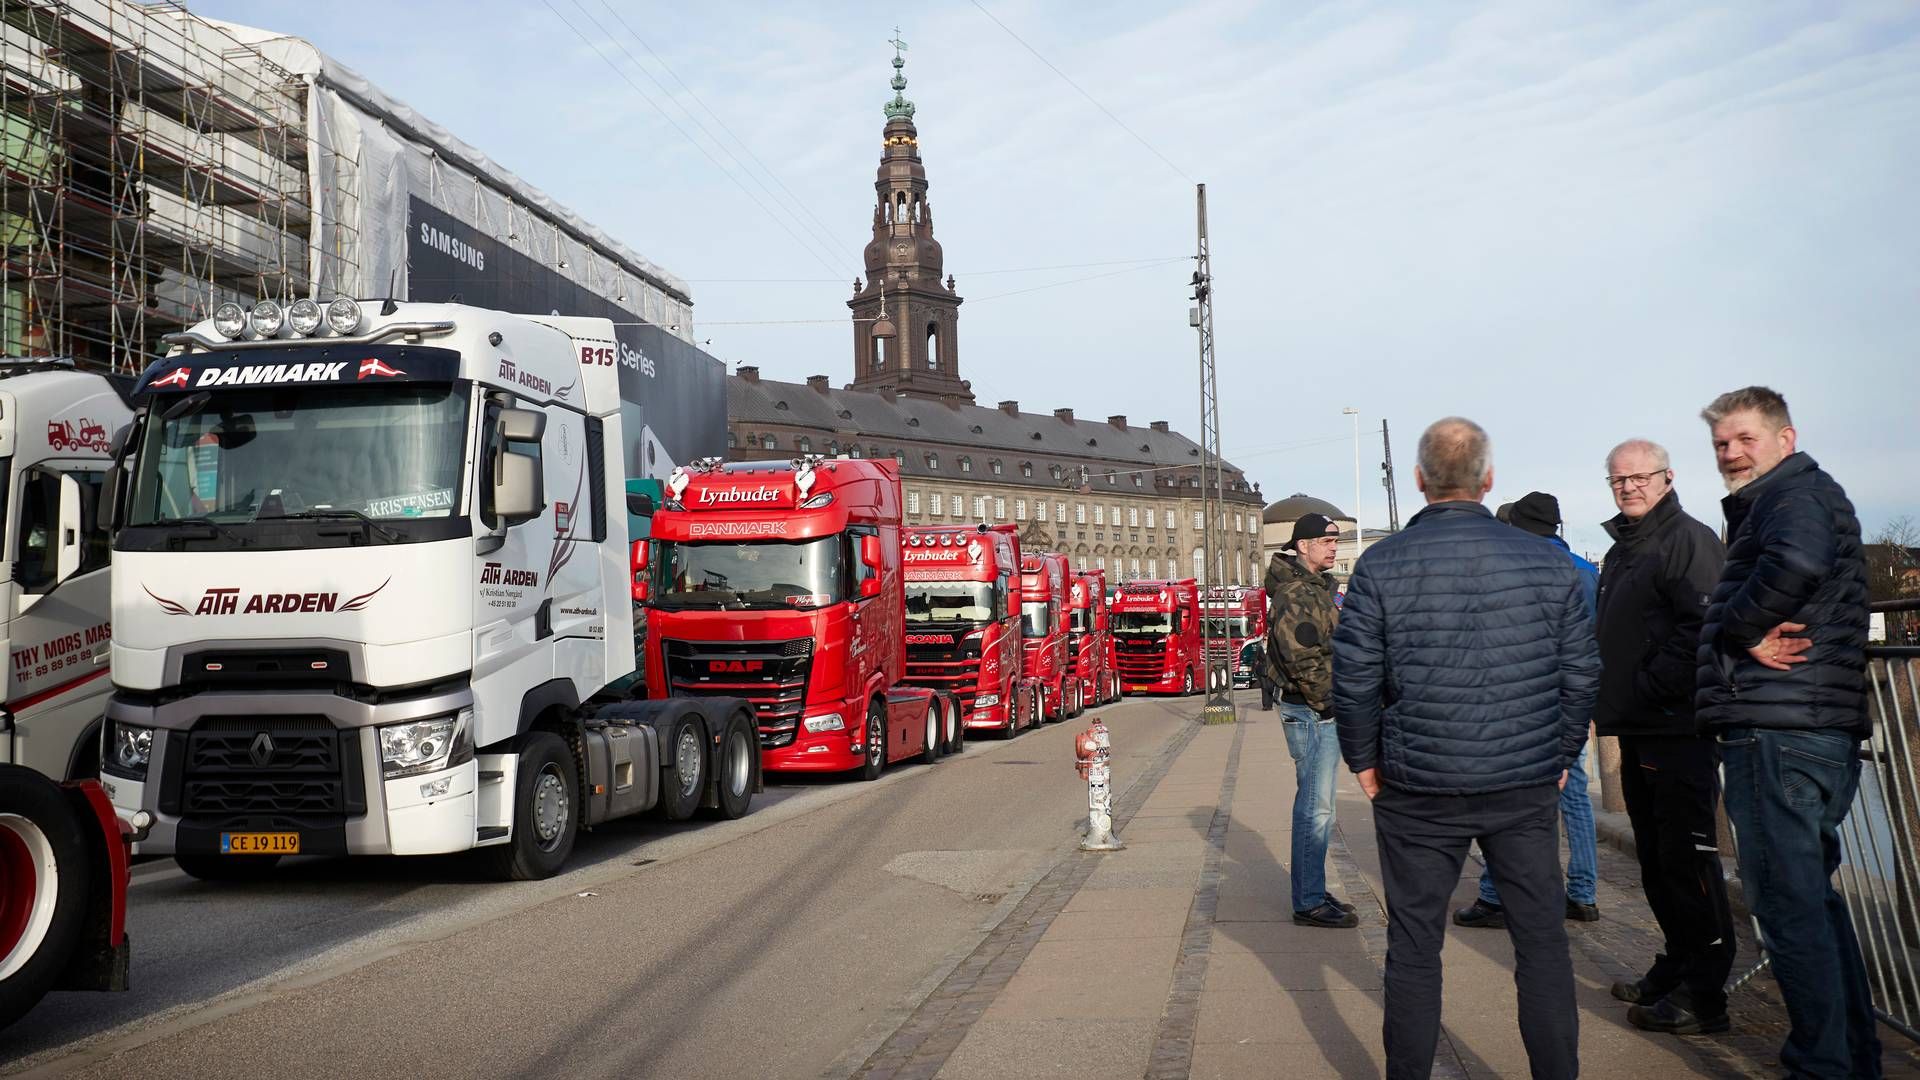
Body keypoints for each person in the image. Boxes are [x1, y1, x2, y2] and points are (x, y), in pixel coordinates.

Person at [1334, 418, 1598, 1080]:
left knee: (1415, 945)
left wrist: (1364, 761)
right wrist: (1562, 755)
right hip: (1523, 781)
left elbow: (1356, 676)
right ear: (1488, 479)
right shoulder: (1544, 561)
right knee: (1541, 944)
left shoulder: (1382, 564)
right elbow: (1580, 671)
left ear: (1421, 480)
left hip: (1418, 783)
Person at [1694, 387, 1878, 1078]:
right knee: (1812, 902)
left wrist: (1738, 627)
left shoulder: (1790, 496)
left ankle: (1821, 1066)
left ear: (1784, 438)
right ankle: (1851, 1057)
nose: (1731, 453)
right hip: (1803, 725)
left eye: (1743, 438)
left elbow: (1796, 564)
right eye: (1720, 444)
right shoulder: (1797, 495)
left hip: (1776, 728)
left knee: (1788, 908)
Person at [1588, 439, 1736, 1036]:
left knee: (1688, 862)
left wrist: (1649, 685)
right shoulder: (1625, 548)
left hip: (1677, 727)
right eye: (1618, 480)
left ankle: (1706, 996)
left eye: (1639, 478)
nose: (1628, 488)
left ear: (1668, 477)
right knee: (1657, 861)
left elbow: (1704, 627)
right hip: (1641, 726)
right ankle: (1676, 967)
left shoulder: (1688, 539)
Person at [1453, 491, 1602, 929]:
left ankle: (1497, 896)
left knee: (1508, 800)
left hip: (1522, 702)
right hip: (1572, 698)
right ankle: (1583, 892)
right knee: (1575, 797)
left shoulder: (1515, 570)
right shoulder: (1587, 572)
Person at [1264, 512, 1357, 929]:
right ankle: (1308, 900)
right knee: (1315, 808)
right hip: (1311, 709)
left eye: (1336, 540)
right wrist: (1329, 702)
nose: (1334, 546)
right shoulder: (1298, 592)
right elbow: (1300, 655)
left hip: (1314, 707)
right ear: (1302, 545)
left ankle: (1313, 889)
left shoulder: (1315, 588)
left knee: (1319, 804)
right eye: (1325, 540)